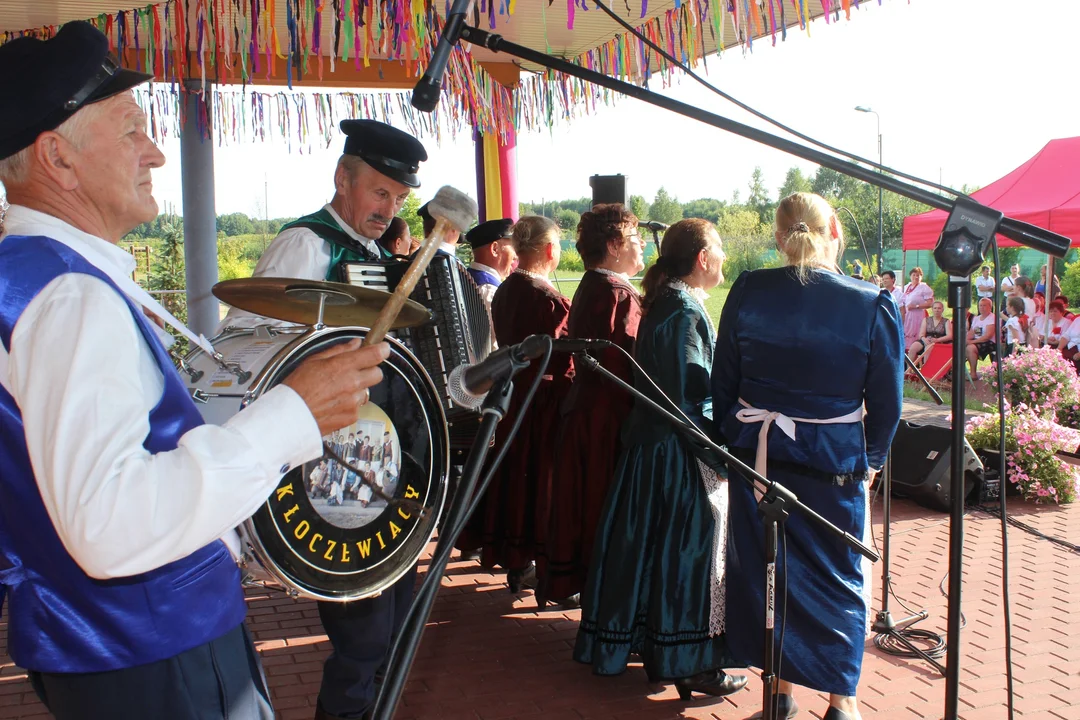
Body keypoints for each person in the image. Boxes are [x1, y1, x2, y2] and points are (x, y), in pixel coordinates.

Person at [0, 22, 390, 720]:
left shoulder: (35, 281)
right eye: (130, 131)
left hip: (112, 650)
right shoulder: (72, 297)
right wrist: (290, 415)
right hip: (151, 653)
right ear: (57, 157)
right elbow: (108, 523)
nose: (154, 151)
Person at [222, 118, 428, 720]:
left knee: (393, 621)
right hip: (330, 469)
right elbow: (244, 344)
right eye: (379, 192)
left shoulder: (375, 256)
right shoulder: (308, 245)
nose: (389, 209)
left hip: (384, 461)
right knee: (362, 636)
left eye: (398, 198)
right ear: (343, 178)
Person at [712, 192, 903, 720]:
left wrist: (736, 439)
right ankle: (843, 703)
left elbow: (723, 381)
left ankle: (779, 696)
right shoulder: (870, 303)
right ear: (835, 229)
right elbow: (886, 403)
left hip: (758, 462)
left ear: (778, 236)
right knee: (836, 579)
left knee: (767, 575)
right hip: (831, 466)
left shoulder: (748, 291)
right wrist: (872, 460)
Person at [574, 219, 747, 699]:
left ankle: (659, 648)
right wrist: (721, 448)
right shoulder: (680, 310)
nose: (724, 259)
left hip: (659, 448)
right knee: (687, 552)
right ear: (701, 258)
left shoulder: (673, 302)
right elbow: (686, 396)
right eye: (720, 249)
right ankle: (687, 662)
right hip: (674, 452)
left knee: (651, 551)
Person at [459, 216, 572, 593]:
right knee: (541, 488)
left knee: (516, 482)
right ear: (550, 250)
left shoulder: (506, 289)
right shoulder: (550, 301)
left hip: (511, 397)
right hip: (541, 405)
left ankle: (518, 561)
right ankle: (537, 565)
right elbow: (563, 362)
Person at [541, 204, 645, 609]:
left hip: (586, 410)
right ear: (615, 244)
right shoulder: (618, 292)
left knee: (585, 506)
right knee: (603, 506)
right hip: (608, 416)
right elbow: (631, 363)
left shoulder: (593, 284)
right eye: (635, 241)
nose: (642, 250)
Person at [465, 218, 518, 353]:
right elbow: (496, 344)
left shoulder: (468, 277)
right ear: (495, 249)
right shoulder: (488, 289)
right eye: (513, 247)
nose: (516, 256)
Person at [899, 267, 934, 349]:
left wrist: (916, 306)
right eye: (914, 275)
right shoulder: (907, 286)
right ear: (910, 276)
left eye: (918, 275)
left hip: (917, 315)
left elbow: (930, 303)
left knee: (915, 335)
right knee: (905, 335)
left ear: (921, 277)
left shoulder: (924, 288)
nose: (916, 277)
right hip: (906, 315)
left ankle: (916, 354)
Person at [966, 297, 999, 381]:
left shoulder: (992, 318)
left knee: (970, 348)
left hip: (990, 342)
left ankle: (973, 373)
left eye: (984, 305)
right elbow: (971, 333)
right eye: (980, 305)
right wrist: (966, 340)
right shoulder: (976, 318)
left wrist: (972, 342)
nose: (982, 307)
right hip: (977, 341)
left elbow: (988, 335)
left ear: (990, 307)